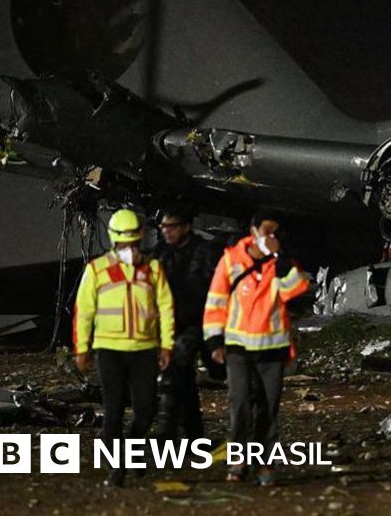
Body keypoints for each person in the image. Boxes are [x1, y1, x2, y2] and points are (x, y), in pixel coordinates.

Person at [204, 213, 309, 485]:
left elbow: (296, 288)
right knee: (239, 404)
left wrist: (281, 259)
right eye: (267, 230)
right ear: (253, 230)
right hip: (238, 347)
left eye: (275, 232)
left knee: (268, 409)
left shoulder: (279, 263)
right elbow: (216, 301)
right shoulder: (231, 260)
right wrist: (214, 341)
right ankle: (238, 460)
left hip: (272, 347)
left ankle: (265, 465)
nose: (271, 236)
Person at [73, 209, 174, 487]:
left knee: (146, 410)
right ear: (114, 240)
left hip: (144, 349)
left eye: (133, 241)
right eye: (124, 242)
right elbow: (84, 311)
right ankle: (117, 469)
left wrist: (166, 345)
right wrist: (82, 348)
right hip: (109, 350)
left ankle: (132, 451)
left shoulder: (153, 270)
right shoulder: (96, 270)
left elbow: (166, 309)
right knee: (113, 411)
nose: (130, 247)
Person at [153, 206, 222, 441]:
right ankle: (192, 434)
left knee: (175, 371)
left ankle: (168, 430)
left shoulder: (205, 253)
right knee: (182, 378)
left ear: (186, 227)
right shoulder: (161, 253)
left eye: (171, 227)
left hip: (199, 323)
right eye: (163, 227)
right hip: (171, 324)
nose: (166, 231)